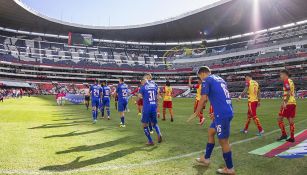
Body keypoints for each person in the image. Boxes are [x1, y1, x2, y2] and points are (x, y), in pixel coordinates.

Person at [192, 66, 235, 174]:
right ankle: (206, 159)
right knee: (211, 132)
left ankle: (230, 169)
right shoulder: (220, 79)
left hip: (222, 113)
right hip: (224, 111)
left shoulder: (207, 80)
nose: (201, 80)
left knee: (223, 141)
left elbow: (203, 98)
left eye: (199, 77)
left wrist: (197, 112)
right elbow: (222, 96)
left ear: (202, 74)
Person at [139, 75, 162, 145]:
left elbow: (139, 96)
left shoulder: (143, 87)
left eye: (141, 81)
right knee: (154, 123)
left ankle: (150, 141)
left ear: (144, 80)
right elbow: (157, 96)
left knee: (144, 125)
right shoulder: (154, 85)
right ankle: (159, 133)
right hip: (153, 106)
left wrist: (143, 97)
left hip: (147, 107)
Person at [277, 70, 297, 142]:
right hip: (293, 102)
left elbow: (288, 93)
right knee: (290, 120)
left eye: (281, 75)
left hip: (288, 103)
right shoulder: (290, 81)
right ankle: (292, 137)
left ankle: (284, 134)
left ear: (285, 74)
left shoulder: (286, 81)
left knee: (279, 119)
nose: (280, 76)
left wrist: (285, 102)